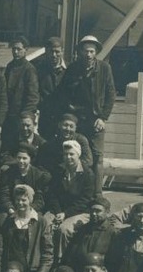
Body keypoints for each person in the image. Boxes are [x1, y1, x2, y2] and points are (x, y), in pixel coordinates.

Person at [57, 35, 115, 188]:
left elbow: (111, 95)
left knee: (98, 157)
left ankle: (97, 193)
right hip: (78, 121)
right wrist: (70, 111)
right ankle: (78, 190)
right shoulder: (73, 69)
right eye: (85, 52)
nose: (88, 55)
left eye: (91, 51)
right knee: (76, 154)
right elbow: (63, 93)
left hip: (96, 121)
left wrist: (103, 117)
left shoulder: (104, 68)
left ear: (96, 52)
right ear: (80, 53)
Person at [2, 37, 40, 148]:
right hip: (9, 114)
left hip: (21, 115)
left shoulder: (29, 69)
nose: (15, 52)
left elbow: (33, 96)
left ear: (25, 49)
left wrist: (25, 116)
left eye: (19, 49)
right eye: (13, 49)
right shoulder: (10, 66)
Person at [35, 37, 66, 139]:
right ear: (46, 52)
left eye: (57, 52)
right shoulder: (39, 69)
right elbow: (35, 91)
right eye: (51, 52)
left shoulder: (70, 70)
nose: (54, 55)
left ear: (62, 51)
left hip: (63, 115)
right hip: (45, 115)